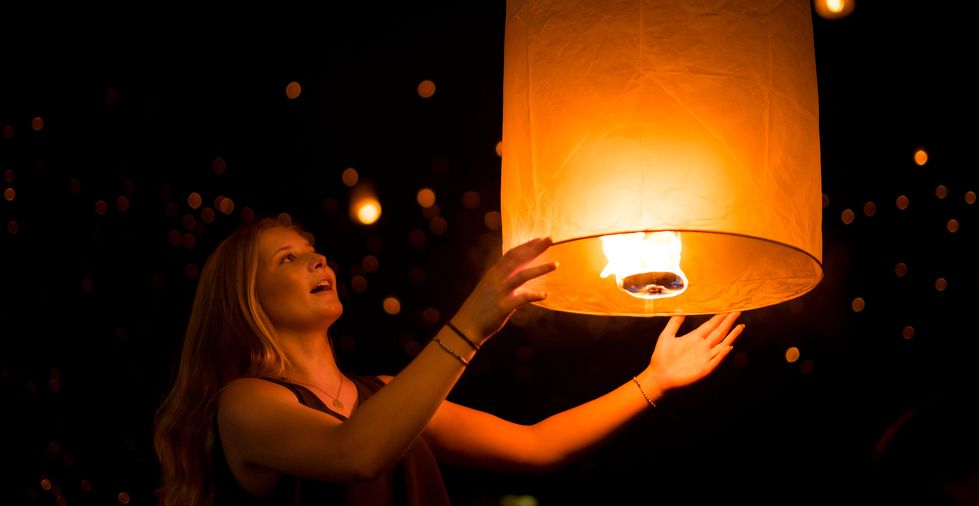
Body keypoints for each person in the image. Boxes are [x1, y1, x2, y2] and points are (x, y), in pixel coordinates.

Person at [153, 215, 743, 506]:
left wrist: (653, 381)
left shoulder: (387, 396)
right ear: (245, 298)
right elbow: (354, 454)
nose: (316, 259)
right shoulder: (244, 404)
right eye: (288, 258)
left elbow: (537, 447)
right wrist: (471, 324)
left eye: (313, 251)